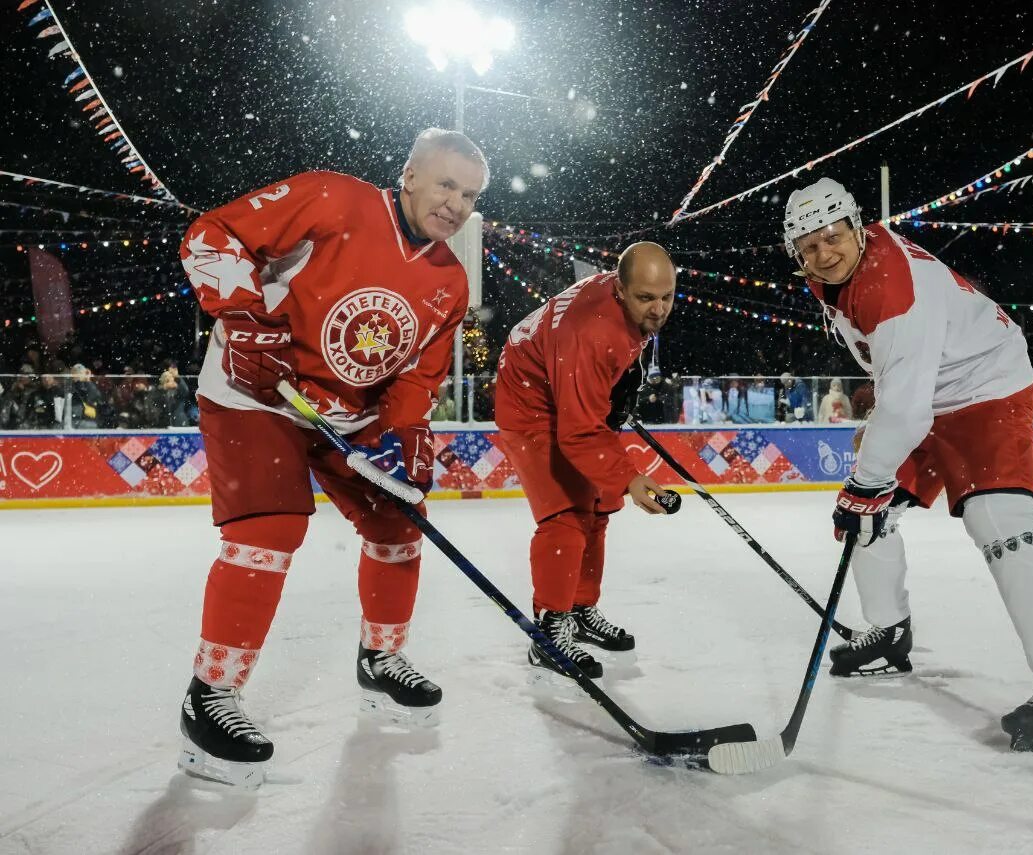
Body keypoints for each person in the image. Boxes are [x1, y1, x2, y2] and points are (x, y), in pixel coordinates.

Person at [173, 127, 488, 787]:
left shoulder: (450, 284)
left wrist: (401, 437)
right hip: (254, 392)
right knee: (271, 529)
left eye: (471, 194)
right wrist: (240, 315)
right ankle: (210, 696)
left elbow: (416, 379)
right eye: (447, 184)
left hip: (345, 417)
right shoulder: (333, 198)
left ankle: (382, 658)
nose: (457, 203)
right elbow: (211, 233)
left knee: (401, 522)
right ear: (408, 176)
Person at [782, 177, 1033, 751]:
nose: (821, 253)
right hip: (931, 394)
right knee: (866, 519)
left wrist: (872, 468)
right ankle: (889, 632)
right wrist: (877, 452)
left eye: (831, 237)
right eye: (807, 247)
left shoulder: (890, 284)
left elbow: (906, 405)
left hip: (988, 390)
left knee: (1000, 524)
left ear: (857, 228)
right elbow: (900, 382)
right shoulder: (835, 277)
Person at [494, 242, 678, 680]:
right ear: (619, 287)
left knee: (597, 510)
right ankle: (551, 628)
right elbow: (577, 432)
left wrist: (617, 386)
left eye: (667, 296)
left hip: (562, 386)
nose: (658, 309)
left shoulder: (616, 305)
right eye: (645, 298)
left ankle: (579, 608)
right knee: (566, 516)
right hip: (530, 409)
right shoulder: (591, 333)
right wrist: (630, 479)